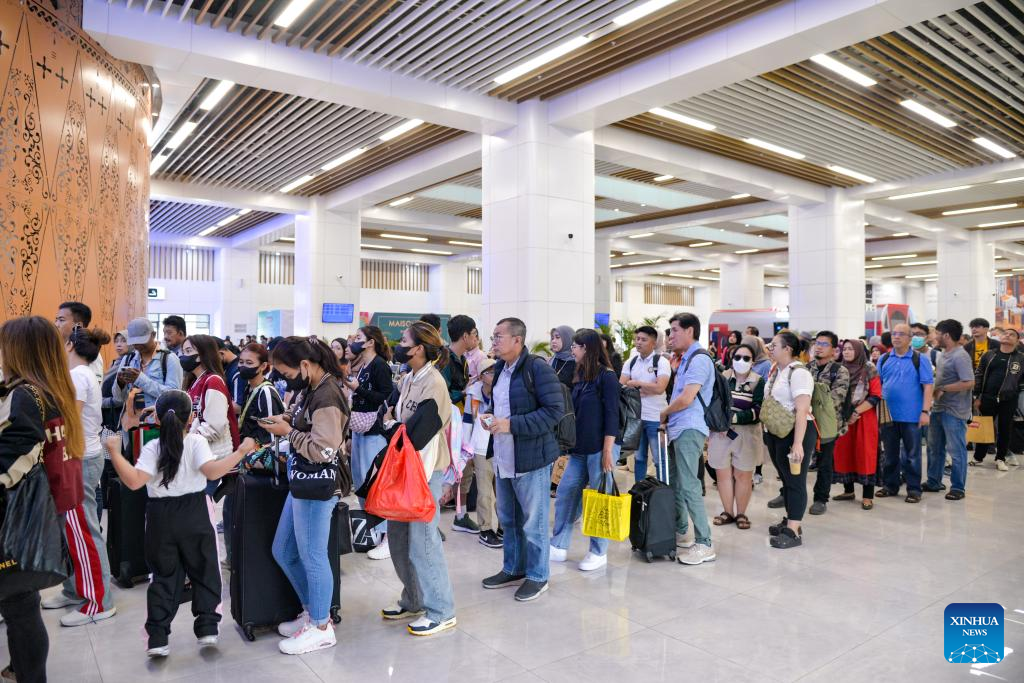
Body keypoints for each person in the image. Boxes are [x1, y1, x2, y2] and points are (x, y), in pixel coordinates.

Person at [105, 389, 248, 658]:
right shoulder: (196, 442)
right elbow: (212, 473)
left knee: (163, 576)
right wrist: (241, 451)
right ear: (191, 417)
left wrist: (114, 452)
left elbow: (134, 482)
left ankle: (158, 638)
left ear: (157, 419)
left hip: (160, 517)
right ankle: (207, 628)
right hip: (195, 512)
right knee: (205, 569)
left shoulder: (152, 447)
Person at [0, 316, 85, 683]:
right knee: (21, 600)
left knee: (19, 604)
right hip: (42, 506)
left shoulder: (25, 394)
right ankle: (22, 667)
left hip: (20, 510)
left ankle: (29, 673)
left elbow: (15, 454)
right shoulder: (51, 388)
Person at [261, 336, 348, 654]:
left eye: (286, 373)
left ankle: (322, 626)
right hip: (302, 480)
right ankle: (314, 612)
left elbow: (324, 450)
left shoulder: (327, 394)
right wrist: (285, 421)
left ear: (305, 365)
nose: (285, 379)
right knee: (284, 550)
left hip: (317, 484)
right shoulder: (311, 387)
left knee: (313, 556)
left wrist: (289, 432)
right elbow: (303, 421)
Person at [378, 322, 457, 636]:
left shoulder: (434, 384)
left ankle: (441, 610)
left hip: (424, 472)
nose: (398, 346)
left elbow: (416, 434)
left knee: (423, 543)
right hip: (403, 469)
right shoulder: (408, 378)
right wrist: (392, 424)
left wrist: (392, 425)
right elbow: (387, 414)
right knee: (398, 539)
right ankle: (413, 599)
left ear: (419, 348)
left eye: (404, 341)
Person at [479, 317, 563, 602]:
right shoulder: (500, 369)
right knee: (509, 519)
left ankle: (538, 576)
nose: (493, 341)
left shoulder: (537, 368)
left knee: (533, 523)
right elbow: (503, 405)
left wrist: (510, 424)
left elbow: (553, 411)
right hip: (504, 456)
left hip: (531, 459)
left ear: (517, 339)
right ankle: (514, 568)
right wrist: (491, 417)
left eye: (498, 336)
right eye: (493, 336)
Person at [41, 327, 117, 627]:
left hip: (79, 458)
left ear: (70, 345)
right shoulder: (81, 374)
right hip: (79, 456)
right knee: (70, 530)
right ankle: (75, 589)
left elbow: (68, 422)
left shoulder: (77, 376)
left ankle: (100, 601)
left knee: (83, 531)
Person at [550, 329, 619, 571]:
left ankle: (599, 551)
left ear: (586, 348)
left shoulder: (607, 376)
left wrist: (608, 450)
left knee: (599, 501)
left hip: (601, 449)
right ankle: (558, 544)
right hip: (579, 449)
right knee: (566, 494)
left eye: (575, 346)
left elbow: (612, 415)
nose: (572, 349)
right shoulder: (580, 374)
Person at [660, 313, 716, 565]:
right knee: (676, 482)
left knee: (689, 485)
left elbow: (686, 398)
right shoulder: (685, 359)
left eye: (674, 330)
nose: (670, 336)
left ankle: (705, 543)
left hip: (690, 428)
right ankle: (682, 531)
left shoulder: (699, 359)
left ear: (690, 331)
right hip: (677, 427)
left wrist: (664, 412)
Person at [762, 331, 817, 548]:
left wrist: (797, 443)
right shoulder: (777, 370)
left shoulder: (799, 373)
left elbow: (802, 410)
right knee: (785, 479)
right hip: (777, 432)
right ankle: (791, 519)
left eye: (774, 345)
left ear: (788, 349)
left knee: (795, 481)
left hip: (796, 432)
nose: (769, 348)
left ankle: (793, 531)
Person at [344, 325, 395, 560]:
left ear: (370, 342)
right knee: (361, 482)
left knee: (375, 484)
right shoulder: (363, 365)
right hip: (359, 429)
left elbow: (385, 397)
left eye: (359, 338)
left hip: (373, 431)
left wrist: (359, 389)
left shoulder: (380, 366)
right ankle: (372, 528)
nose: (354, 341)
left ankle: (387, 535)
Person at [708, 343, 763, 530]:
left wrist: (734, 418)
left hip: (747, 434)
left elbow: (758, 409)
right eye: (738, 357)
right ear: (731, 359)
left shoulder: (758, 381)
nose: (741, 361)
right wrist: (720, 422)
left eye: (746, 358)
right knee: (722, 473)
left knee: (743, 475)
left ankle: (741, 513)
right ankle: (727, 512)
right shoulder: (722, 377)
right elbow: (714, 402)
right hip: (720, 432)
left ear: (753, 361)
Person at [876, 323, 934, 502]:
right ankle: (890, 486)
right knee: (890, 454)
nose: (896, 337)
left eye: (901, 334)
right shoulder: (884, 358)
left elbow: (928, 386)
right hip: (888, 415)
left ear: (910, 338)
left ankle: (914, 489)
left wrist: (925, 411)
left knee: (912, 455)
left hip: (912, 415)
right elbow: (878, 385)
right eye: (894, 333)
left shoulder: (920, 359)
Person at [926, 319, 975, 500]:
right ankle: (934, 481)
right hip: (939, 408)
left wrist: (944, 389)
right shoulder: (943, 354)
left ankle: (958, 487)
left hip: (954, 410)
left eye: (937, 333)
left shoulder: (960, 355)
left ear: (946, 335)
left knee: (956, 450)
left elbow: (969, 382)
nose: (935, 337)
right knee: (934, 447)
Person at [831, 340, 881, 509]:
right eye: (844, 349)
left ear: (859, 351)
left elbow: (875, 395)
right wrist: (846, 414)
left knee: (865, 454)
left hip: (864, 418)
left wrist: (855, 412)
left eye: (850, 349)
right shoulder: (840, 369)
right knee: (844, 454)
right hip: (843, 418)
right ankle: (848, 491)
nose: (846, 352)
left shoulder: (869, 368)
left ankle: (867, 496)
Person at [619, 325, 672, 482]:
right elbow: (621, 387)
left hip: (656, 417)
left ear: (653, 343)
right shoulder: (631, 362)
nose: (639, 342)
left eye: (643, 339)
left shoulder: (661, 362)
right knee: (639, 458)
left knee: (659, 459)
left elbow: (660, 388)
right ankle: (639, 489)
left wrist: (636, 384)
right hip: (636, 418)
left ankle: (662, 489)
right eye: (637, 339)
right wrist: (647, 388)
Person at [807, 331, 851, 516]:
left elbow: (835, 399)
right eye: (817, 343)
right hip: (806, 421)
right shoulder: (806, 368)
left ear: (834, 350)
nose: (819, 347)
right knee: (797, 459)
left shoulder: (839, 371)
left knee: (825, 463)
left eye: (824, 344)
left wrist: (807, 402)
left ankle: (821, 498)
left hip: (828, 424)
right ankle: (787, 493)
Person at [180, 335, 239, 462]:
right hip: (201, 454)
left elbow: (215, 428)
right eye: (183, 352)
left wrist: (187, 439)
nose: (183, 356)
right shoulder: (194, 381)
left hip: (214, 458)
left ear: (203, 354)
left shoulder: (213, 381)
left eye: (188, 351)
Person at [972, 328, 1024, 471]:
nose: (1007, 335)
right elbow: (979, 374)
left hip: (1008, 399)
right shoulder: (989, 354)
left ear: (1017, 341)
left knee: (1005, 429)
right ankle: (978, 457)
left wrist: (1015, 389)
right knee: (984, 428)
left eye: (1012, 335)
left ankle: (1000, 458)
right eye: (1005, 333)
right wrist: (977, 396)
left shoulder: (1021, 358)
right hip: (987, 397)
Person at [464, 359, 501, 548]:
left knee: (503, 493)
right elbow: (467, 422)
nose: (494, 375)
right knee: (485, 493)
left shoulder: (503, 390)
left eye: (496, 370)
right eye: (490, 372)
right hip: (480, 448)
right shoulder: (473, 394)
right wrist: (467, 451)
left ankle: (503, 527)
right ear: (480, 376)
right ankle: (485, 529)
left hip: (501, 446)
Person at [112, 318, 183, 410]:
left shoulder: (170, 359)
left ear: (153, 335)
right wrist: (120, 383)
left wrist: (140, 379)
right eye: (134, 342)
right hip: (129, 418)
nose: (138, 345)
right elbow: (118, 398)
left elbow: (174, 396)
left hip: (156, 418)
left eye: (142, 341)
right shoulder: (128, 359)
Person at [234, 343, 284, 452]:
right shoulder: (249, 387)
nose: (243, 366)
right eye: (241, 362)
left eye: (249, 363)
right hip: (247, 450)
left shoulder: (266, 392)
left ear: (263, 366)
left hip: (261, 455)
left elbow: (272, 434)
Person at [54, 301, 106, 380]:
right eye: (56, 320)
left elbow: (93, 383)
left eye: (61, 320)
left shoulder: (89, 352)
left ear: (78, 325)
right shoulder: (57, 348)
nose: (56, 324)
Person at [218, 338, 244, 413]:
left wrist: (214, 403)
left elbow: (238, 407)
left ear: (222, 353)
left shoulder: (237, 371)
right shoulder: (228, 367)